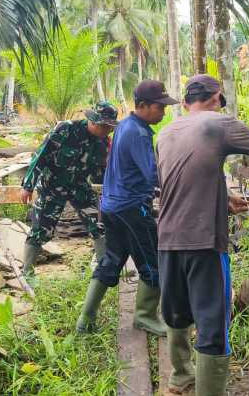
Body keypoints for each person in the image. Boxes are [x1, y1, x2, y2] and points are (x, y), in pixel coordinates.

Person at [156, 75, 249, 395]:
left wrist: (222, 196)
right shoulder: (218, 124)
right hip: (204, 240)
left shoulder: (165, 133)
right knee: (214, 324)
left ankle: (180, 377)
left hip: (166, 237)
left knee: (176, 311)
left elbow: (181, 181)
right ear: (216, 98)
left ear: (186, 101)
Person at [75, 81, 178, 336]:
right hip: (132, 208)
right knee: (153, 260)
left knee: (111, 259)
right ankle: (144, 316)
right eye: (159, 107)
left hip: (111, 206)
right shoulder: (140, 133)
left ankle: (85, 318)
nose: (163, 113)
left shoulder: (124, 127)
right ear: (142, 106)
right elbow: (153, 173)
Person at [19, 102, 119, 280]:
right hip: (52, 184)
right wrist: (28, 185)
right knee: (42, 229)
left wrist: (113, 191)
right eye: (105, 127)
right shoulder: (66, 129)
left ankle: (103, 271)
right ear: (93, 121)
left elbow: (101, 172)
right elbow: (40, 156)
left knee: (99, 222)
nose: (108, 131)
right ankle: (27, 273)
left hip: (78, 185)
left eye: (110, 127)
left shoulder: (103, 142)